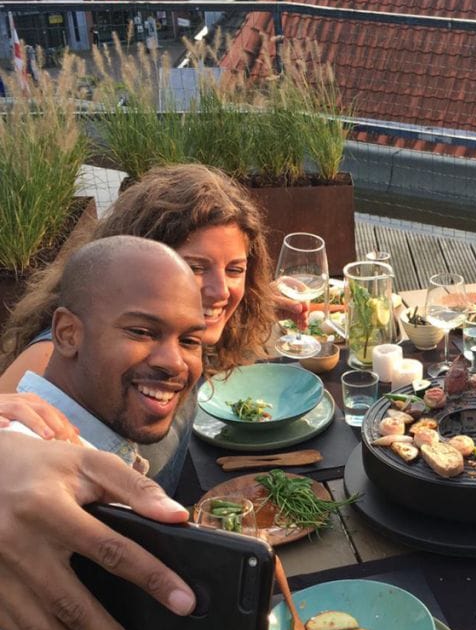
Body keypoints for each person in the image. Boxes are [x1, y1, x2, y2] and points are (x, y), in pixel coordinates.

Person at [0, 236, 253, 630]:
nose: (174, 361)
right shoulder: (40, 505)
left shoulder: (89, 438)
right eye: (142, 332)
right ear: (67, 333)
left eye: (189, 340)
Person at [0, 163, 277, 492]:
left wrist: (266, 300)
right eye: (195, 267)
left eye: (235, 270)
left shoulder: (185, 337)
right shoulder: (58, 351)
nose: (221, 291)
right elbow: (12, 445)